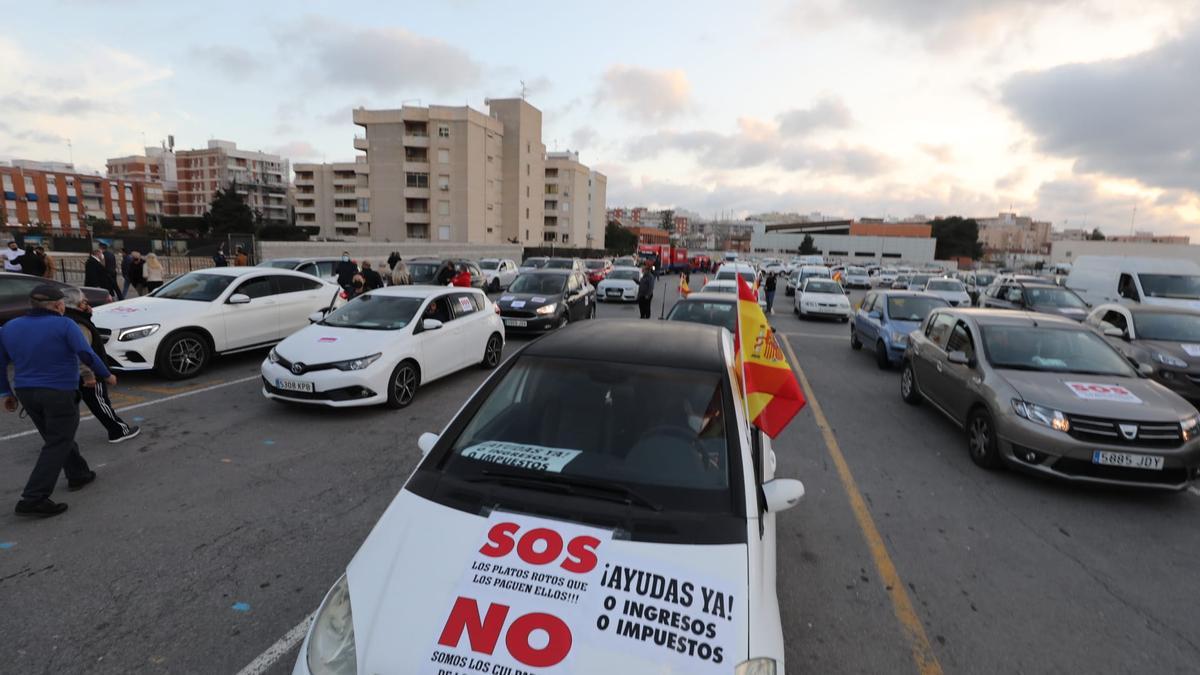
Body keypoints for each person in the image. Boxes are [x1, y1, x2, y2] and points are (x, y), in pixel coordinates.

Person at [0, 284, 116, 518]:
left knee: (56, 437)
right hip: (58, 391)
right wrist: (106, 374)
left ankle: (78, 473)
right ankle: (33, 497)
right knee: (58, 441)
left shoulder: (9, 327)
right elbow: (86, 354)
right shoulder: (65, 325)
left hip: (26, 391)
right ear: (59, 305)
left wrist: (5, 393)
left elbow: (0, 363)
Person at [63, 287, 139, 443]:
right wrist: (90, 375)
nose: (88, 304)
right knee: (100, 403)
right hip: (88, 374)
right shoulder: (79, 324)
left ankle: (61, 436)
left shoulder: (68, 319)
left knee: (71, 407)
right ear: (75, 305)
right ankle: (119, 431)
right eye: (84, 301)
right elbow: (83, 353)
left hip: (70, 374)